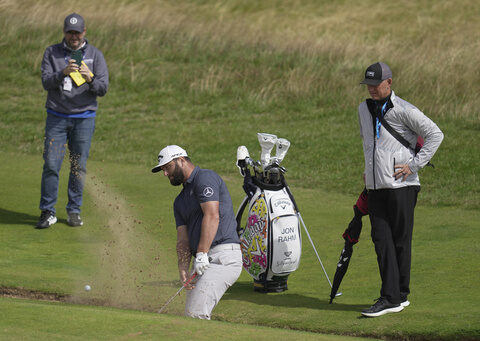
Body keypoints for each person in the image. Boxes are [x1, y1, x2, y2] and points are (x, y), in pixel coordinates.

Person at [357, 62, 443, 317]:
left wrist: (414, 165)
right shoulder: (363, 108)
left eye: (376, 84)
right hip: (376, 186)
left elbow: (435, 134)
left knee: (400, 242)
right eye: (368, 85)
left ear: (389, 82)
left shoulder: (405, 109)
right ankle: (393, 295)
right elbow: (368, 143)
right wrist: (368, 172)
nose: (371, 89)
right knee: (381, 240)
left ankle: (397, 296)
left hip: (402, 186)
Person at [152, 145, 242, 319]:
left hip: (222, 258)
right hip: (203, 261)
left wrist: (201, 253)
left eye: (167, 167)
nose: (165, 174)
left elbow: (212, 215)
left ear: (181, 160)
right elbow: (182, 240)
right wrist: (183, 267)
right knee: (190, 314)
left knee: (196, 314)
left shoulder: (205, 178)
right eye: (163, 170)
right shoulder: (179, 202)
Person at [36, 13, 109, 229]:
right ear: (64, 32)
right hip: (57, 118)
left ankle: (74, 211)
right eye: (70, 32)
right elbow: (46, 82)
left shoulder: (95, 55)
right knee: (51, 164)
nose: (73, 36)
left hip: (84, 119)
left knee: (78, 167)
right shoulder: (52, 52)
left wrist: (91, 78)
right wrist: (62, 73)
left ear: (84, 32)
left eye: (77, 32)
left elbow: (103, 88)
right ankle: (48, 211)